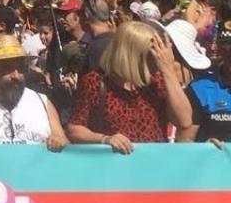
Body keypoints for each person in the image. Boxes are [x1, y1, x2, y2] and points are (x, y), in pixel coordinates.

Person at [66, 21, 194, 152]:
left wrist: (168, 71)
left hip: (153, 163)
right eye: (150, 55)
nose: (156, 60)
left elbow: (184, 121)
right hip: (114, 165)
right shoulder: (95, 82)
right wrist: (104, 139)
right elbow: (74, 129)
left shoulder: (157, 81)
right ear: (133, 56)